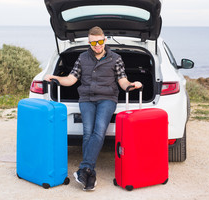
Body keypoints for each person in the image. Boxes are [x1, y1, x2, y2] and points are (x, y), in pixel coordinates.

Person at [44, 26, 142, 191]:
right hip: (87, 98)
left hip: (107, 98)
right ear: (89, 43)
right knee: (88, 133)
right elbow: (71, 79)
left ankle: (85, 168)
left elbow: (122, 81)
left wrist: (132, 85)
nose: (97, 45)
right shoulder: (82, 58)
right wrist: (55, 78)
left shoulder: (115, 58)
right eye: (93, 42)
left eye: (100, 41)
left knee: (99, 131)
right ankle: (89, 174)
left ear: (105, 40)